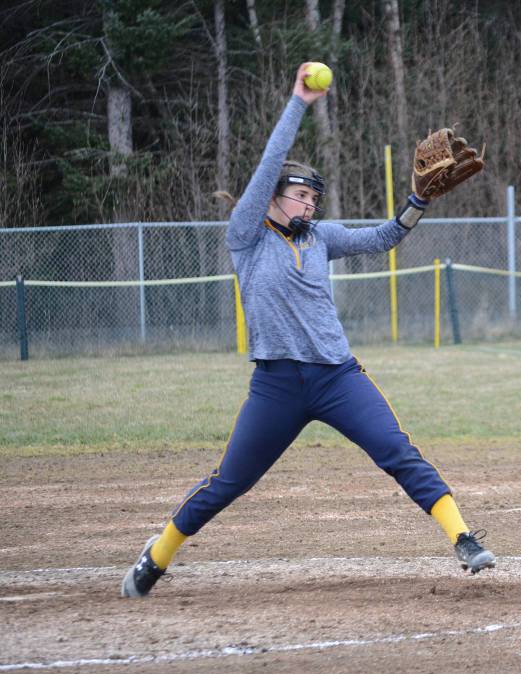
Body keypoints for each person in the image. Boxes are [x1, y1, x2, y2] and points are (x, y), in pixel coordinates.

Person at [121, 63, 493, 598]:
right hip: (276, 386)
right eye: (300, 196)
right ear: (271, 198)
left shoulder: (318, 237)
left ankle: (462, 538)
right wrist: (298, 102)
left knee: (398, 451)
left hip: (337, 377)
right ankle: (157, 557)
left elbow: (384, 238)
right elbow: (273, 161)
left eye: (314, 199)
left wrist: (419, 203)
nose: (310, 205)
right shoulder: (248, 235)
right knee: (229, 483)